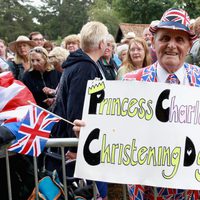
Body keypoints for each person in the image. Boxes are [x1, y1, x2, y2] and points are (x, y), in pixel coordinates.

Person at [72, 8, 200, 199]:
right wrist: (91, 130)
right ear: (154, 42)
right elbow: (115, 130)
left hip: (192, 190)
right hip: (144, 190)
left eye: (179, 39)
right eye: (165, 38)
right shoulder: (132, 82)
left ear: (189, 45)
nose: (171, 45)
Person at [51, 21, 109, 200]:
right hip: (79, 143)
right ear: (101, 44)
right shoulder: (85, 67)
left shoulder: (81, 63)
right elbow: (76, 107)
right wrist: (75, 146)